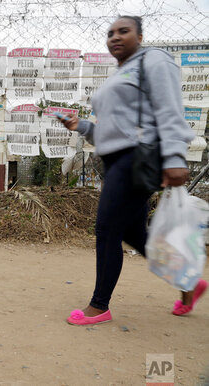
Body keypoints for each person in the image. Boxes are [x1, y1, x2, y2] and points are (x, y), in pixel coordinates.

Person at [58, 16, 205, 325]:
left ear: (140, 35)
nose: (115, 37)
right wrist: (81, 126)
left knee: (106, 230)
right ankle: (188, 282)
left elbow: (169, 108)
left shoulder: (153, 60)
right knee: (134, 233)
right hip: (114, 160)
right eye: (110, 33)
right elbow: (111, 131)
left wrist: (176, 156)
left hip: (137, 158)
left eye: (123, 31)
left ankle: (100, 306)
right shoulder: (120, 73)